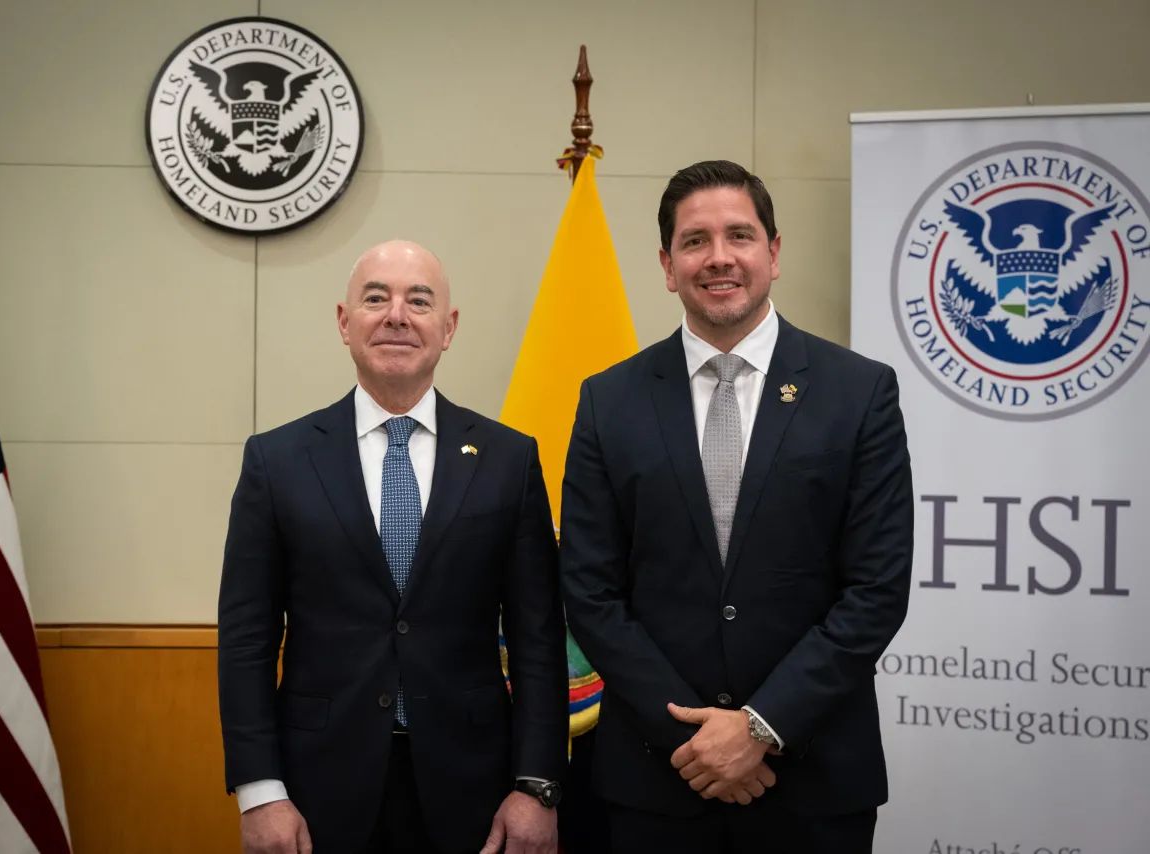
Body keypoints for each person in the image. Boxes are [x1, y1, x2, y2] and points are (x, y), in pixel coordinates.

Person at [558, 160, 914, 853]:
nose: (718, 258)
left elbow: (876, 588)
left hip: (812, 778)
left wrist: (760, 726)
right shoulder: (609, 400)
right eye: (695, 241)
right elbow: (590, 589)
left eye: (739, 236)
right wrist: (692, 740)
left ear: (774, 253)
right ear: (667, 264)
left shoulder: (858, 392)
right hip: (659, 781)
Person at [218, 240, 569, 854]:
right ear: (343, 322)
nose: (397, 316)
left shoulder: (509, 460)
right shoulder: (277, 460)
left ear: (449, 327)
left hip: (475, 789)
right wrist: (260, 790)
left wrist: (536, 786)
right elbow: (247, 638)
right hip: (315, 789)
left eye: (419, 300)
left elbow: (538, 639)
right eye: (375, 298)